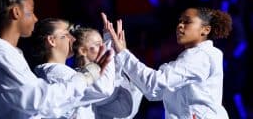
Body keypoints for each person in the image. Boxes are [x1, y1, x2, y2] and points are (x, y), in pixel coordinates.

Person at [0, 0, 112, 119]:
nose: (36, 19)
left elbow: (43, 108)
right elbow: (36, 100)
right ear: (16, 13)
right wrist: (84, 77)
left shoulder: (9, 53)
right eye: (31, 12)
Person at [102, 7, 232, 119]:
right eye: (180, 21)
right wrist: (122, 56)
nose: (180, 25)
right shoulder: (192, 59)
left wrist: (123, 54)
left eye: (187, 21)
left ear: (205, 30)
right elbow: (155, 92)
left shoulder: (202, 56)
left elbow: (154, 84)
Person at [29, 18, 115, 119]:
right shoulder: (57, 74)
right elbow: (103, 88)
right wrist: (109, 47)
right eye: (66, 35)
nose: (73, 39)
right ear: (52, 41)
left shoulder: (63, 72)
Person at [70, 25, 143, 119]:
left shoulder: (100, 81)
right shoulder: (76, 77)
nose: (103, 48)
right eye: (97, 44)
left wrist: (122, 56)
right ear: (83, 51)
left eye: (103, 44)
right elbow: (104, 89)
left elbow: (124, 110)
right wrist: (110, 46)